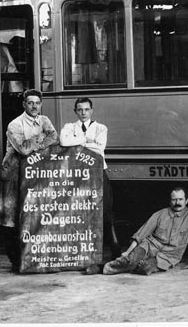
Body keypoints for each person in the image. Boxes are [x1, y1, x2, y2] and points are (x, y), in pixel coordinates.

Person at [0, 89, 58, 272]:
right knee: (12, 219)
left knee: (34, 214)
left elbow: (54, 137)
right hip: (14, 176)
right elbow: (22, 150)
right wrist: (40, 138)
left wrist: (34, 144)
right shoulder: (14, 125)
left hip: (34, 175)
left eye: (37, 103)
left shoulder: (45, 120)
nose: (34, 106)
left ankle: (33, 259)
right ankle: (15, 261)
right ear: (24, 105)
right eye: (30, 103)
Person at [59, 97, 120, 273]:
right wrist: (87, 142)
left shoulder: (101, 128)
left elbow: (100, 149)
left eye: (86, 109)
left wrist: (78, 142)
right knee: (81, 213)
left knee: (106, 213)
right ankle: (86, 257)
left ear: (91, 110)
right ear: (75, 111)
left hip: (99, 173)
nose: (83, 113)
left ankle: (114, 252)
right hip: (79, 175)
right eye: (80, 109)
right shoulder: (69, 127)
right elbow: (63, 141)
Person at [103, 187, 188, 275]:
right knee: (132, 259)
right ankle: (104, 268)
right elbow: (141, 234)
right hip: (149, 246)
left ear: (186, 201)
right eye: (174, 199)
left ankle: (122, 265)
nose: (177, 202)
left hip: (168, 256)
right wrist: (128, 251)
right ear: (170, 201)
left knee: (145, 268)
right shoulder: (160, 214)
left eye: (180, 199)